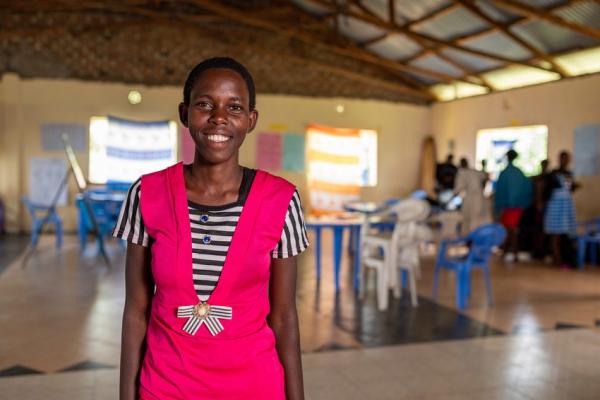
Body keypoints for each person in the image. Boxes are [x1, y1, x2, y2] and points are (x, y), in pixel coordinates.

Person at [113, 58, 308, 399]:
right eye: (205, 104)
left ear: (251, 120)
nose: (219, 117)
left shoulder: (281, 200)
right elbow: (135, 312)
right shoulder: (147, 194)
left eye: (234, 106)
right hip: (165, 385)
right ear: (185, 113)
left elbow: (284, 317)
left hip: (255, 386)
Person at [494, 150, 533, 262]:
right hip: (516, 206)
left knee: (511, 230)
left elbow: (500, 191)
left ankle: (513, 252)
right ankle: (507, 251)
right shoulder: (519, 173)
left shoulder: (505, 173)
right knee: (510, 230)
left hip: (510, 207)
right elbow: (527, 187)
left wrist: (501, 205)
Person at [544, 151, 579, 267]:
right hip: (556, 206)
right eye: (563, 158)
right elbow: (545, 188)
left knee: (565, 233)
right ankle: (556, 259)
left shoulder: (569, 173)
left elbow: (570, 188)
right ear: (559, 159)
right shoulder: (553, 173)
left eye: (567, 159)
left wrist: (575, 186)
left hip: (566, 206)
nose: (565, 161)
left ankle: (562, 259)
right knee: (555, 234)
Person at [454, 157, 491, 234]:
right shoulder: (474, 171)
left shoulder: (462, 173)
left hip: (471, 198)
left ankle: (471, 237)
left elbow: (458, 189)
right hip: (479, 197)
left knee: (471, 218)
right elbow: (486, 178)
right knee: (475, 217)